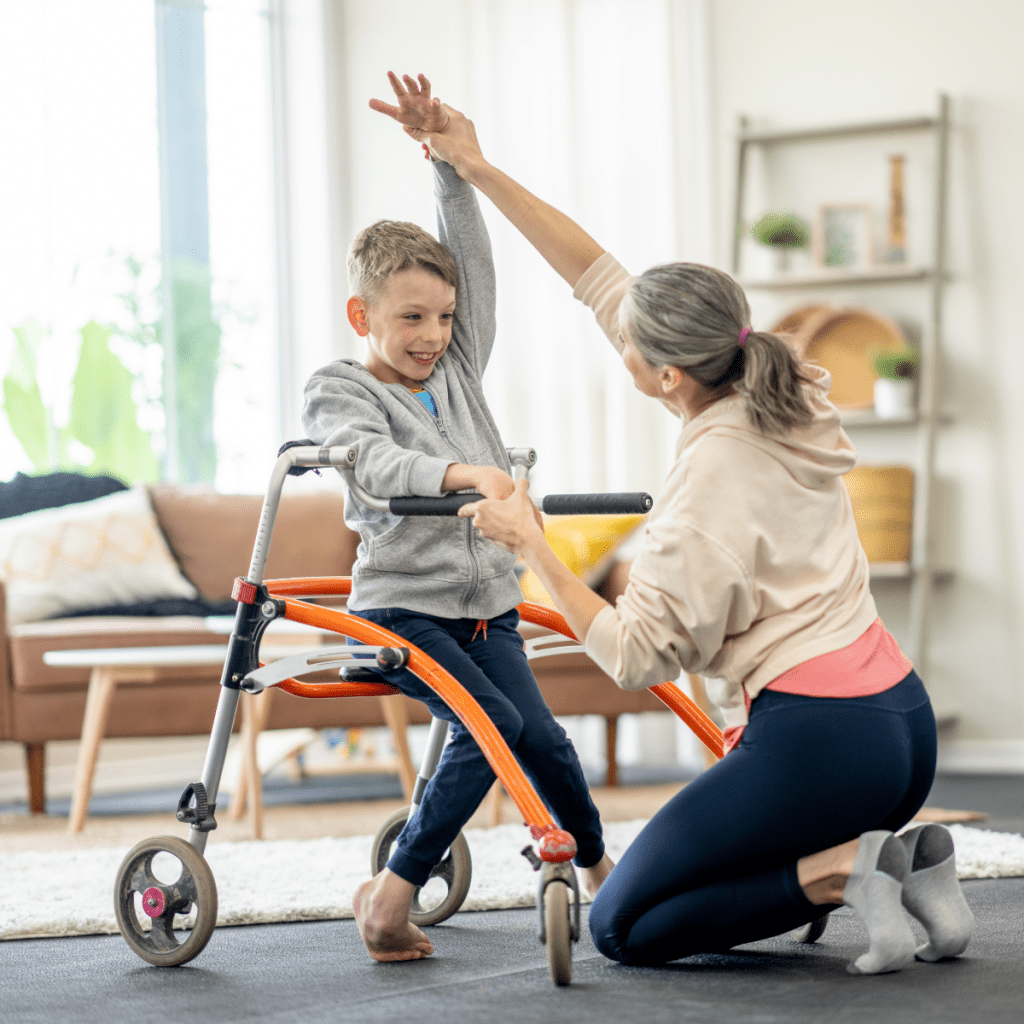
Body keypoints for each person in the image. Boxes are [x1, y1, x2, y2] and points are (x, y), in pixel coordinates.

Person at [370, 73, 974, 973]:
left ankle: (852, 866)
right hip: (901, 724)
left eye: (629, 346)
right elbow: (595, 273)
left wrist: (530, 542)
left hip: (824, 745)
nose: (620, 340)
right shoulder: (787, 383)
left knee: (623, 927)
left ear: (664, 377)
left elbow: (633, 656)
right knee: (698, 869)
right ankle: (913, 865)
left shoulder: (704, 488)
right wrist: (473, 165)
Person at [302, 76, 612, 964]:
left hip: (487, 610)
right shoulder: (343, 388)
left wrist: (446, 162)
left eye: (442, 317)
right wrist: (463, 470)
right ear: (362, 315)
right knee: (490, 729)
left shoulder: (458, 366)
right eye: (410, 318)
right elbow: (374, 463)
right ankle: (390, 899)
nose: (433, 333)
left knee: (542, 740)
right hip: (402, 610)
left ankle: (602, 874)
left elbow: (470, 259)